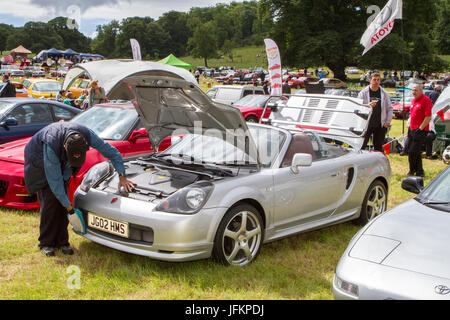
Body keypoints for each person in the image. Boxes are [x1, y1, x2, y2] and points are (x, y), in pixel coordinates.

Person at [24, 122, 136, 257]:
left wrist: (122, 176)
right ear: (65, 147)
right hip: (39, 159)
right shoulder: (51, 145)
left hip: (61, 157)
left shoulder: (87, 136)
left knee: (63, 199)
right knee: (50, 201)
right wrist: (69, 208)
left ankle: (62, 242)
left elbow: (112, 153)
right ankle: (46, 243)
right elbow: (55, 182)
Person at [358, 73, 393, 152]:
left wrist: (387, 122)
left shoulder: (384, 93)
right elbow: (358, 107)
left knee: (378, 147)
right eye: (374, 80)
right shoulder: (363, 93)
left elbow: (390, 108)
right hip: (366, 124)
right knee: (361, 145)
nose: (376, 82)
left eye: (378, 80)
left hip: (380, 125)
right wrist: (368, 105)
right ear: (370, 80)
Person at [407, 84, 432, 177]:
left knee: (414, 151)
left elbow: (428, 117)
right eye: (413, 90)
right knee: (411, 151)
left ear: (421, 91)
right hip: (411, 128)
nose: (414, 92)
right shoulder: (413, 100)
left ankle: (417, 171)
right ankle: (416, 171)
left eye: (416, 90)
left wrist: (420, 128)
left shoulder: (426, 100)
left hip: (421, 130)